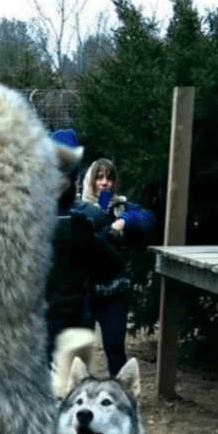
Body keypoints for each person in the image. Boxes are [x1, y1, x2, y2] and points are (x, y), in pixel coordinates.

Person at [45, 130, 125, 362]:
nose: (104, 182)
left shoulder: (91, 216)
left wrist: (118, 224)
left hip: (76, 313)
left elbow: (113, 263)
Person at [81, 157, 156, 375]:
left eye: (109, 178)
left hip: (115, 290)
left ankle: (120, 390)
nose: (104, 183)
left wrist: (124, 220)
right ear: (90, 180)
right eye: (99, 177)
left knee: (114, 347)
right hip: (83, 291)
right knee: (80, 351)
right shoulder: (79, 207)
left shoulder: (121, 207)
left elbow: (148, 218)